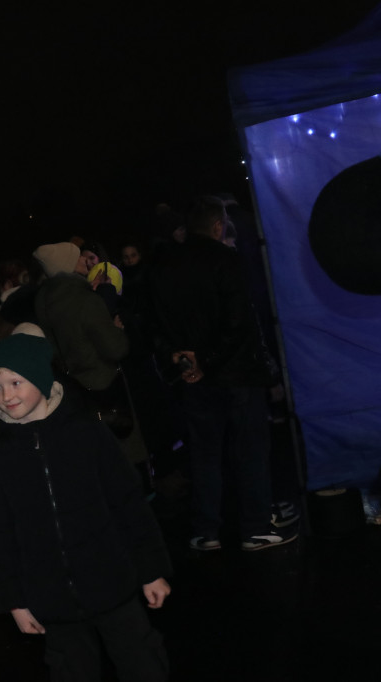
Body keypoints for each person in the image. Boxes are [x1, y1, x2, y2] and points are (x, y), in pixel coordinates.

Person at [0, 333, 172, 682]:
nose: (6, 396)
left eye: (16, 382)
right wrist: (15, 600)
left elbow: (128, 504)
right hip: (51, 600)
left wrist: (150, 569)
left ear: (39, 377)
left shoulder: (88, 435)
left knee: (143, 663)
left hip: (112, 584)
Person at [149, 195, 294, 551]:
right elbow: (238, 323)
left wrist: (185, 363)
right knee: (249, 451)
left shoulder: (165, 266)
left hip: (193, 379)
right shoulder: (225, 260)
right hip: (235, 375)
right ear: (217, 226)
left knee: (205, 454)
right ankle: (255, 527)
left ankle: (207, 531)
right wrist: (208, 361)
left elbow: (156, 325)